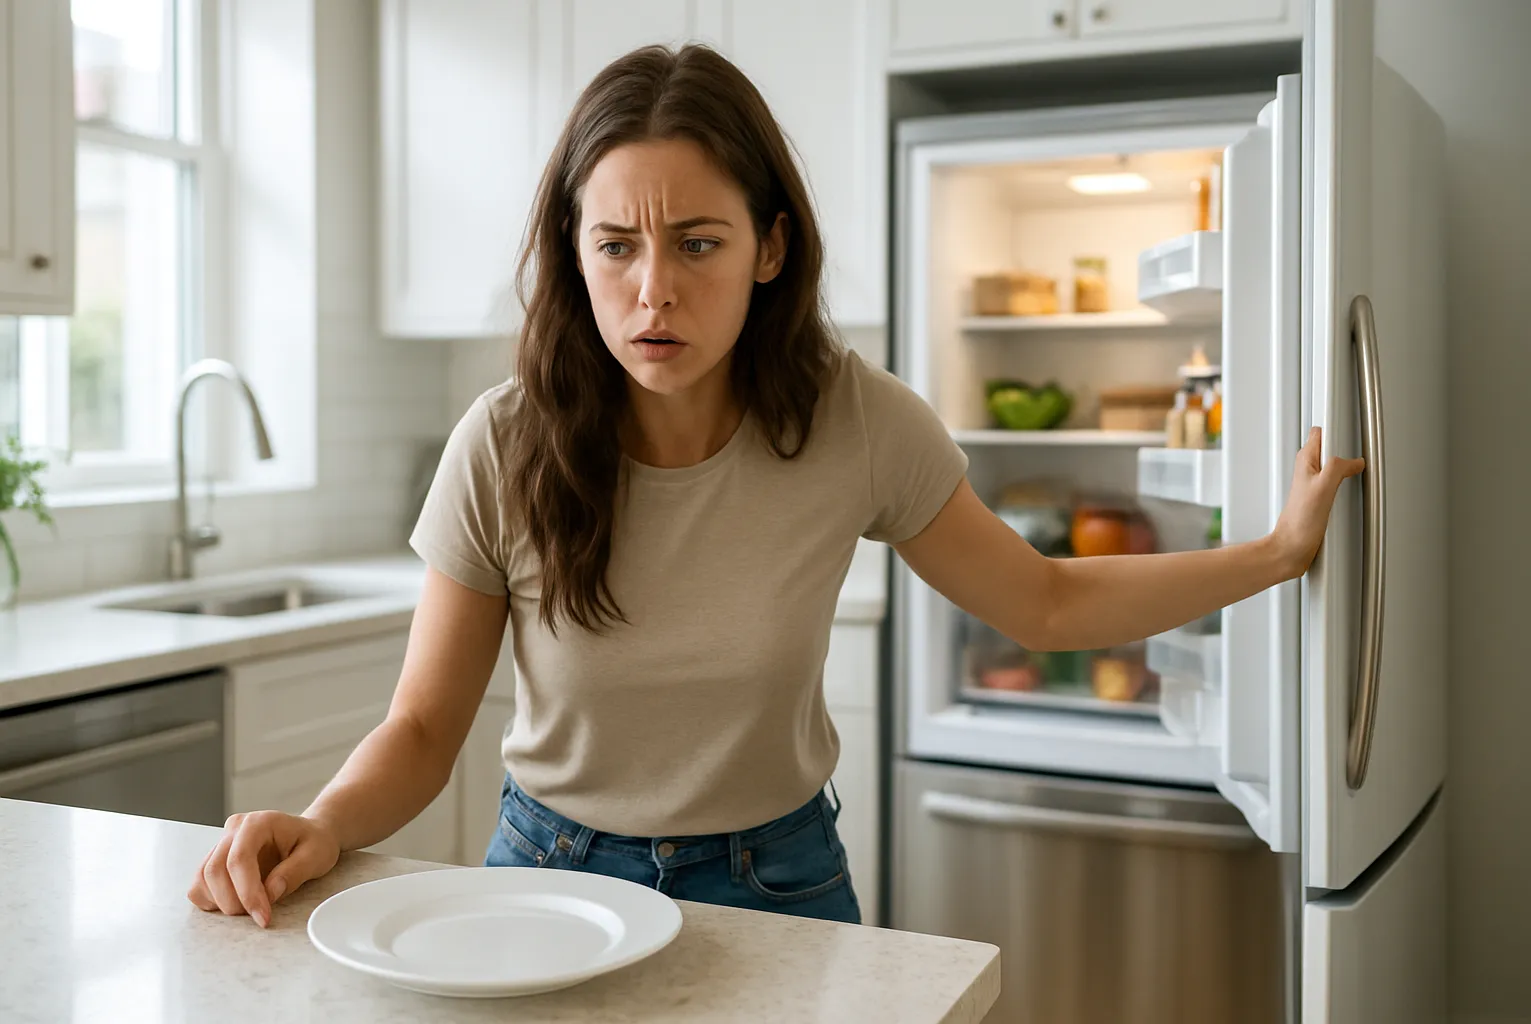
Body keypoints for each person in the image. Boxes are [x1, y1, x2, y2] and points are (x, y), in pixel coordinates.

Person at [188, 44, 1362, 929]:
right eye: (617, 246)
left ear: (771, 247)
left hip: (780, 876)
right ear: (573, 249)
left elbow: (1043, 604)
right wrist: (323, 825)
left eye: (697, 243)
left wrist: (1275, 553)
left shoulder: (857, 420)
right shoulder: (502, 443)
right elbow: (425, 725)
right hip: (547, 878)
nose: (654, 291)